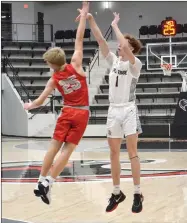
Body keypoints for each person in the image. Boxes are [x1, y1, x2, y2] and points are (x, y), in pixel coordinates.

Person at [76, 12, 143, 213]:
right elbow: (100, 39)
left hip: (129, 109)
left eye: (123, 43)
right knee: (113, 153)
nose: (119, 45)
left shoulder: (135, 65)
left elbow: (121, 41)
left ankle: (138, 193)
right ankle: (116, 192)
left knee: (132, 153)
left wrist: (115, 25)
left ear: (130, 48)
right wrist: (90, 19)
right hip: (113, 110)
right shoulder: (113, 60)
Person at [24, 1, 90, 205]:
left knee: (53, 147)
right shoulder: (76, 65)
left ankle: (40, 182)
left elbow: (40, 101)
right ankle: (49, 181)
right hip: (81, 113)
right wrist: (85, 15)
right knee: (67, 150)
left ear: (52, 64)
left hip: (66, 112)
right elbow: (79, 39)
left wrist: (29, 106)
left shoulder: (53, 80)